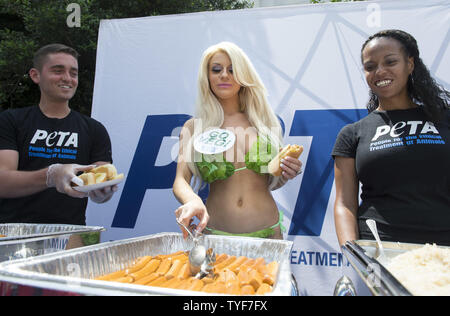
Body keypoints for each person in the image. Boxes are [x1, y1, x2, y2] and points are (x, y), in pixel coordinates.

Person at [173, 42, 302, 240]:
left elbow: (274, 179)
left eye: (232, 70)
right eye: (216, 69)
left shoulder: (265, 123)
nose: (224, 75)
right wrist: (192, 200)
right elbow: (180, 180)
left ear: (243, 75)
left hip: (268, 232)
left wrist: (287, 171)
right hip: (215, 234)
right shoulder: (194, 127)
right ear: (206, 77)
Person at [332, 30, 450, 246]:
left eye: (390, 61)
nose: (380, 71)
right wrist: (353, 253)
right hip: (380, 251)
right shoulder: (352, 134)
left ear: (410, 64)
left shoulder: (445, 119)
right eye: (370, 67)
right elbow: (344, 203)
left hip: (444, 249)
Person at [0, 43, 117, 225]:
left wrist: (103, 193)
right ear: (35, 75)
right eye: (58, 71)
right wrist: (51, 175)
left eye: (74, 73)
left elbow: (101, 180)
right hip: (15, 234)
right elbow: (3, 182)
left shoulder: (94, 129)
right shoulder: (10, 121)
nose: (67, 78)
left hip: (72, 234)